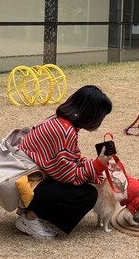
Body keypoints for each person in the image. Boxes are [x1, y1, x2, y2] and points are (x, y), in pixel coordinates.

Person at [15, 85, 113, 239]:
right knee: (87, 194)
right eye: (100, 117)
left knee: (85, 186)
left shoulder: (61, 122)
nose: (100, 121)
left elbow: (71, 160)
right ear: (90, 113)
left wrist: (96, 168)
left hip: (30, 178)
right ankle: (31, 217)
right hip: (30, 183)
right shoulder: (64, 131)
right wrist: (96, 166)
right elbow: (70, 176)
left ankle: (31, 208)